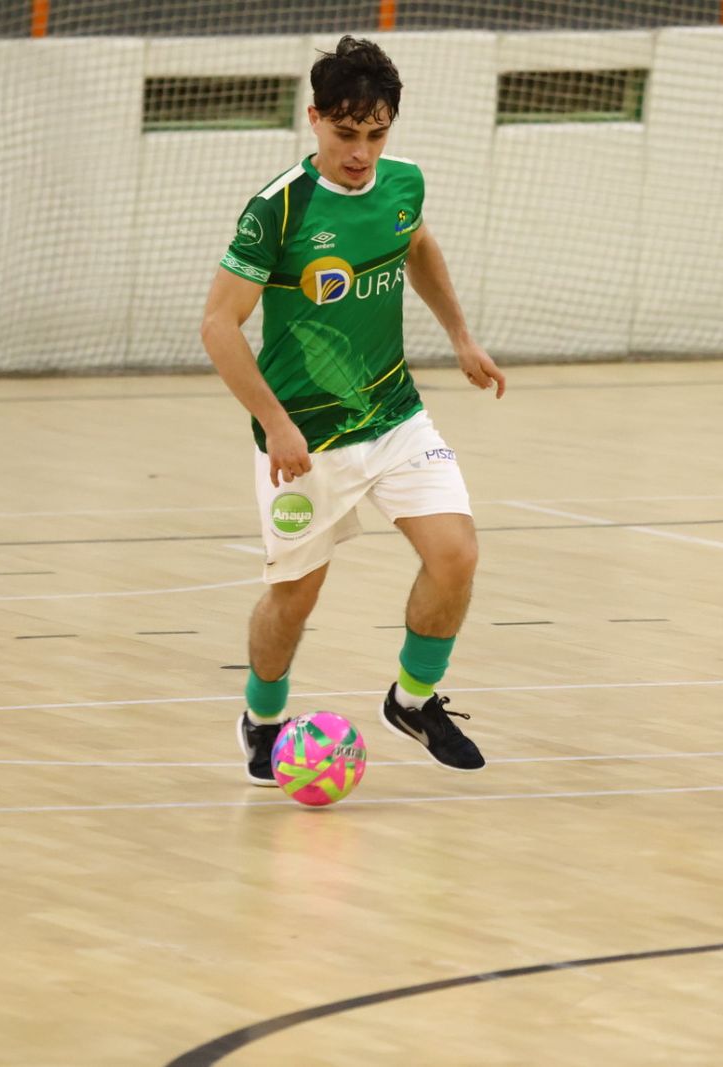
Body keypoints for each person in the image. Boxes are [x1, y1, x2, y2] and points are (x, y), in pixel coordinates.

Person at [200, 36, 506, 786]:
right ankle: (262, 718)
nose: (361, 153)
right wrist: (276, 423)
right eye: (346, 134)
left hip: (396, 415)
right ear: (314, 120)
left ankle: (412, 699)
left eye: (376, 134)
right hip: (306, 436)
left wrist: (461, 337)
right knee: (295, 598)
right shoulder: (277, 210)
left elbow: (418, 245)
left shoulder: (402, 185)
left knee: (457, 554)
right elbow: (217, 325)